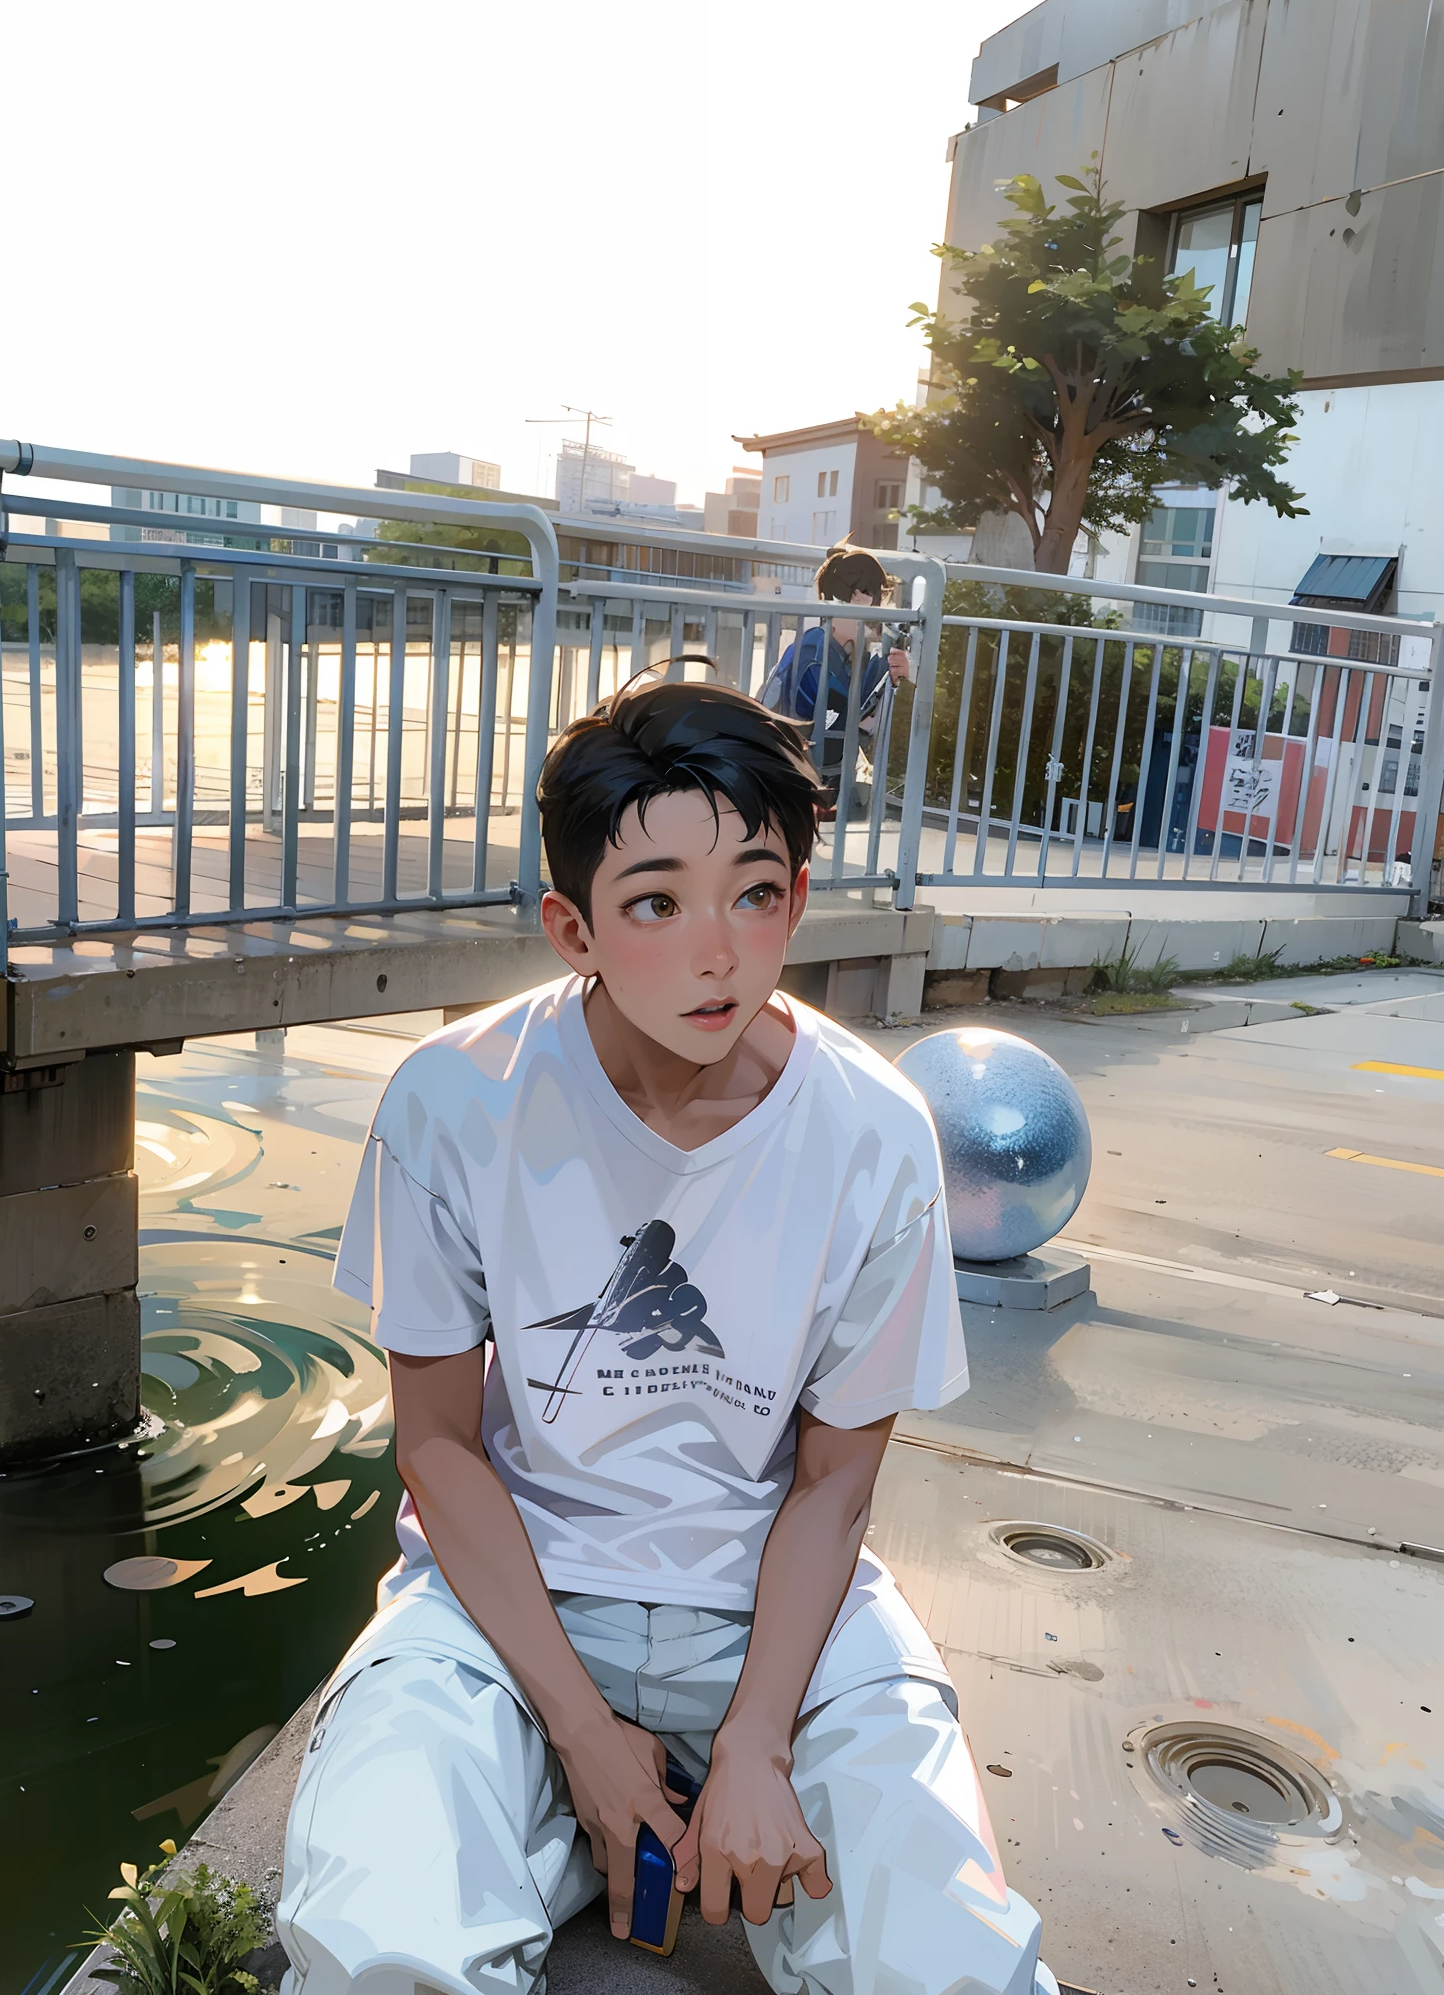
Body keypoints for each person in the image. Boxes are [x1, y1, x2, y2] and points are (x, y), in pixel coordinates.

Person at [277, 676, 1058, 1995]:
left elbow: (834, 1480)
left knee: (950, 1961)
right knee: (377, 1942)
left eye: (756, 891)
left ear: (797, 902)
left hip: (773, 1613)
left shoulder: (874, 1134)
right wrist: (582, 1735)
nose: (718, 950)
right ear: (570, 926)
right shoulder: (454, 1101)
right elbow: (440, 1448)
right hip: (507, 1603)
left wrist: (758, 1743)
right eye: (656, 901)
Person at [760, 543, 912, 810]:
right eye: (875, 601)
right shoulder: (816, 657)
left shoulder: (829, 649)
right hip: (792, 780)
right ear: (856, 597)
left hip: (793, 778)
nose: (878, 614)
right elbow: (840, 729)